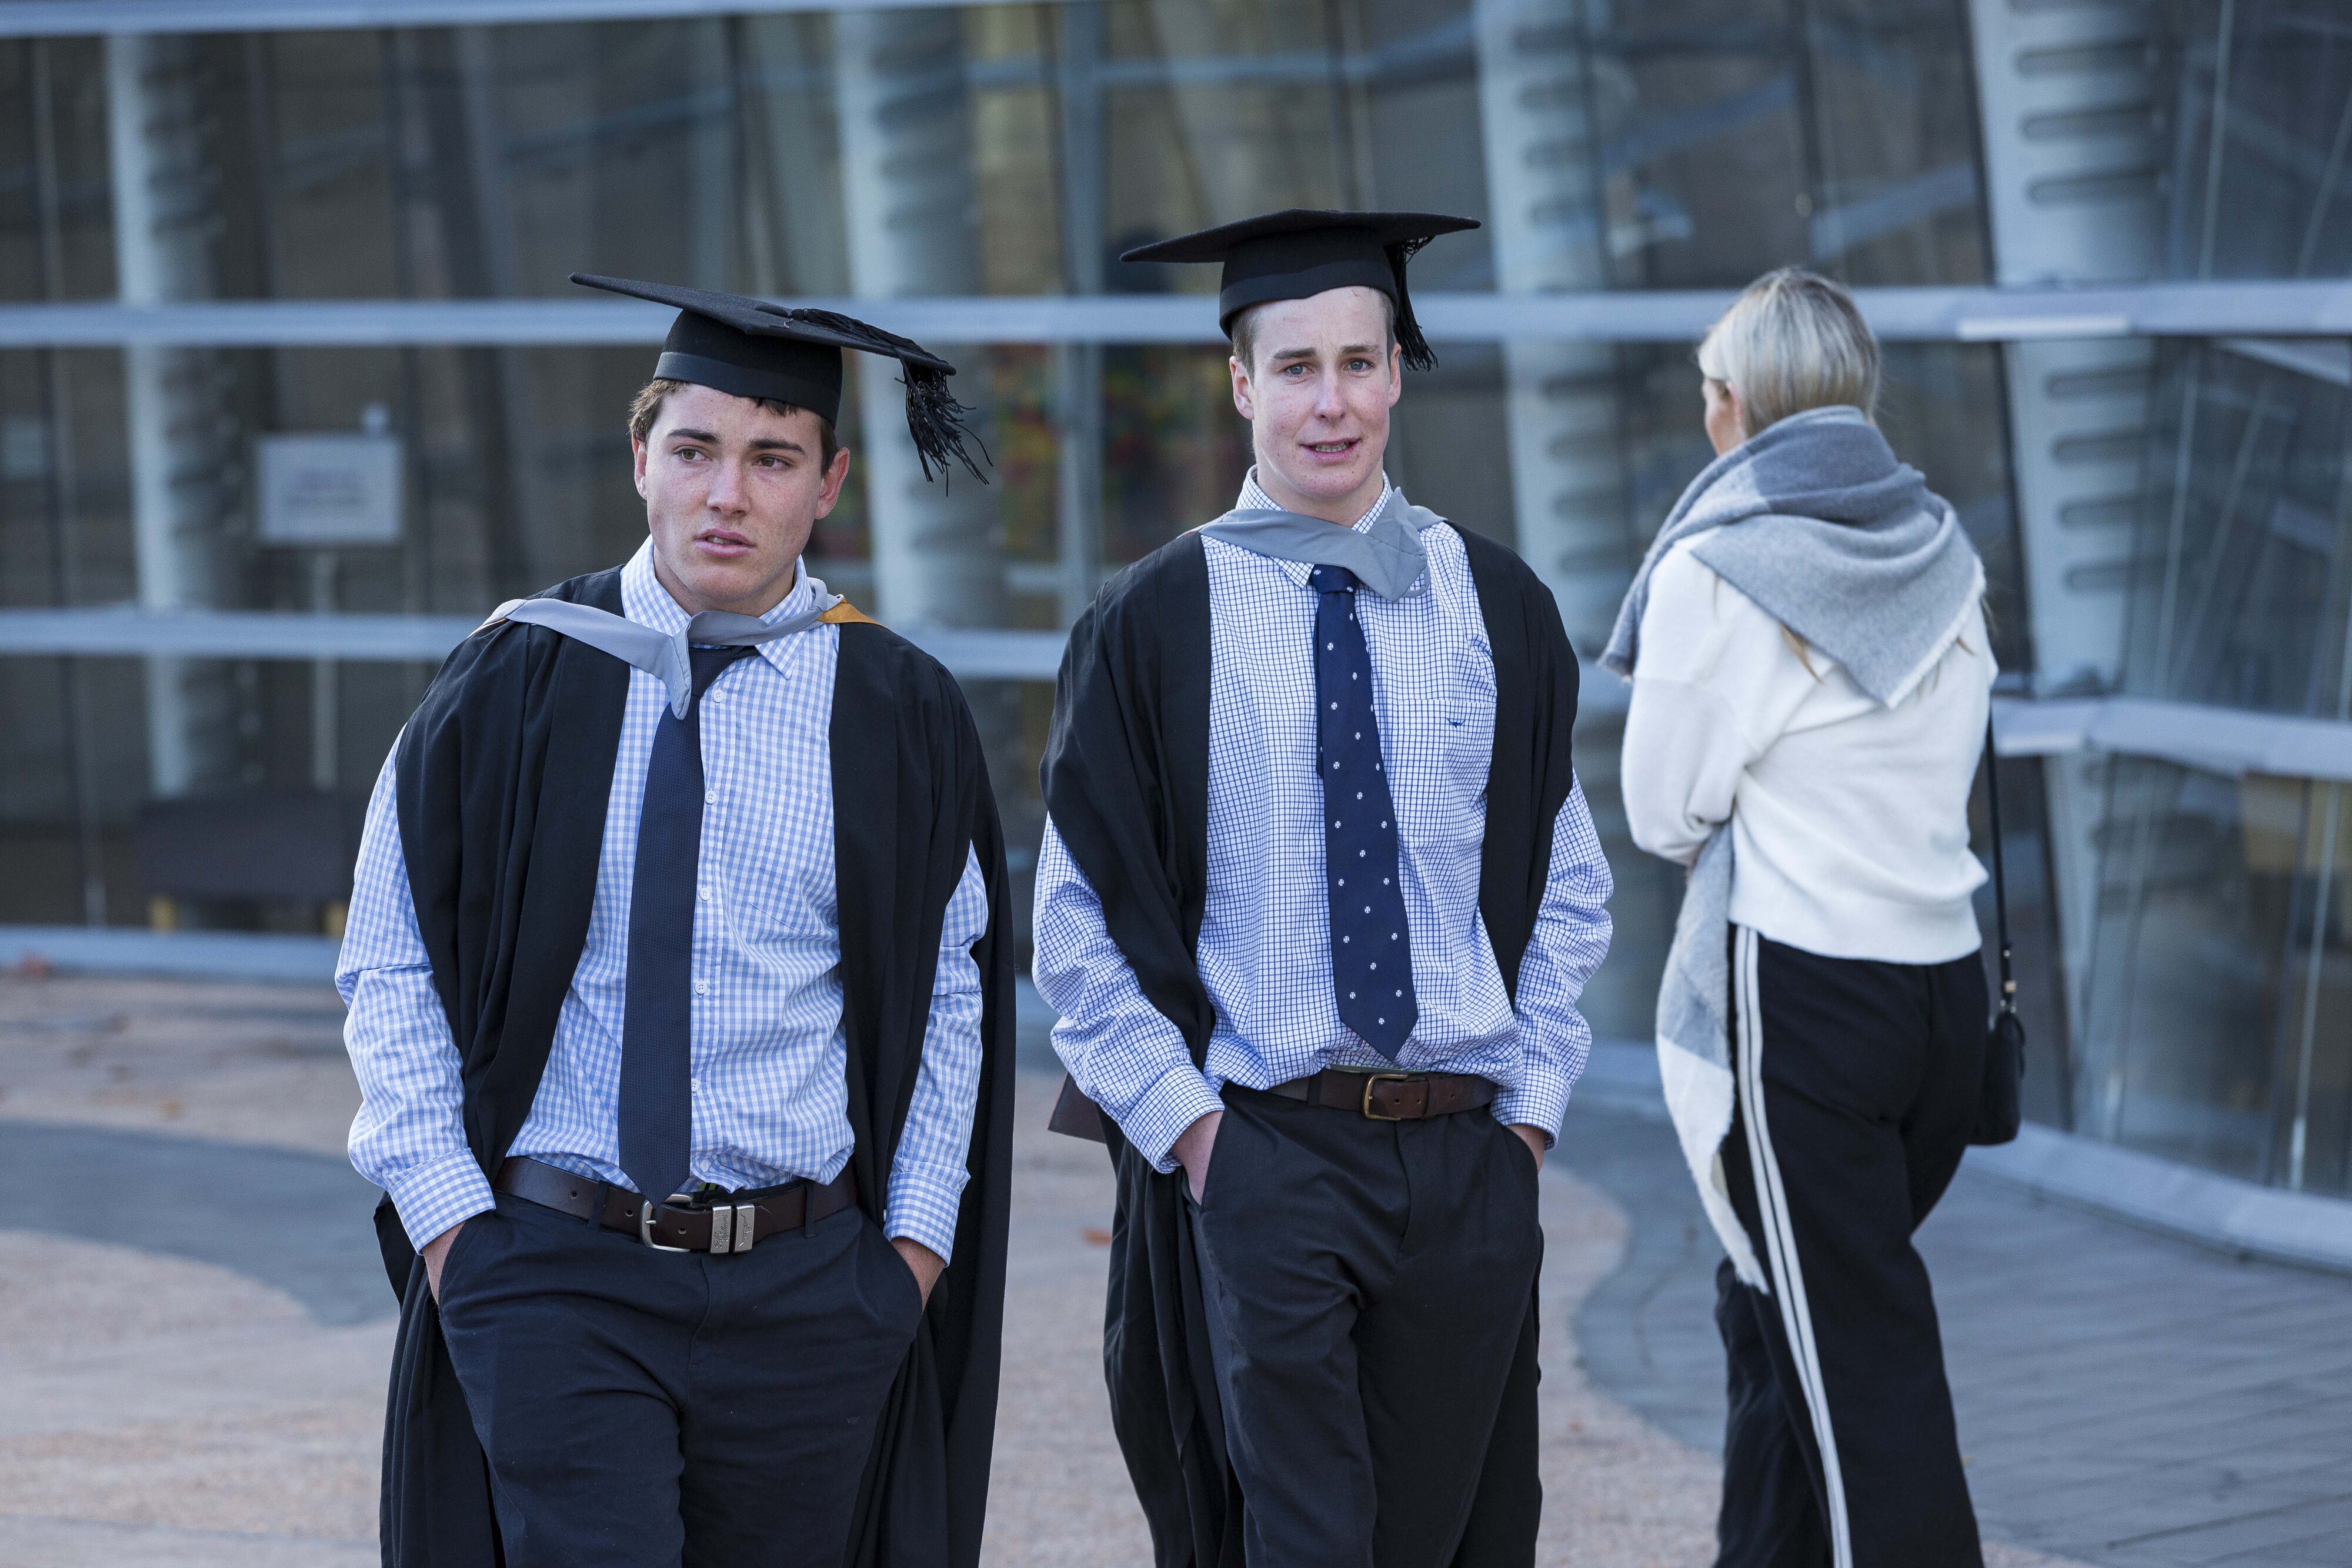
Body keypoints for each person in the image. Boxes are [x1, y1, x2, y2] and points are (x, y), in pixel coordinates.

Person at [338, 275, 1016, 1568]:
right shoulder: (518, 674)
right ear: (641, 455)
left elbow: (950, 997)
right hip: (557, 1269)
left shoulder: (894, 711)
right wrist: (453, 1237)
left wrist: (910, 1256)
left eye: (772, 458)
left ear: (828, 484)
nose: (727, 493)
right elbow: (391, 954)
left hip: (810, 1287)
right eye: (696, 450)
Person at [1033, 209, 1615, 1568]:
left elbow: (1568, 885)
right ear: (1238, 383)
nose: (1331, 401)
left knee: (1461, 1536)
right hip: (1267, 1153)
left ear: (1399, 372)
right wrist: (1197, 1142)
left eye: (1358, 361)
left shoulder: (1497, 606)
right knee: (1296, 1544)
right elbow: (1076, 924)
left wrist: (1523, 1123)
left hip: (1466, 1157)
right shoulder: (1154, 622)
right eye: (1293, 366)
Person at [1606, 268, 1995, 1566]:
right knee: (1776, 1306)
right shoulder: (1943, 550)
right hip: (1938, 998)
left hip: (1804, 1008)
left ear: (1734, 408)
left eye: (1708, 396)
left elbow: (1662, 810)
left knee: (1856, 1363)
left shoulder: (1719, 570)